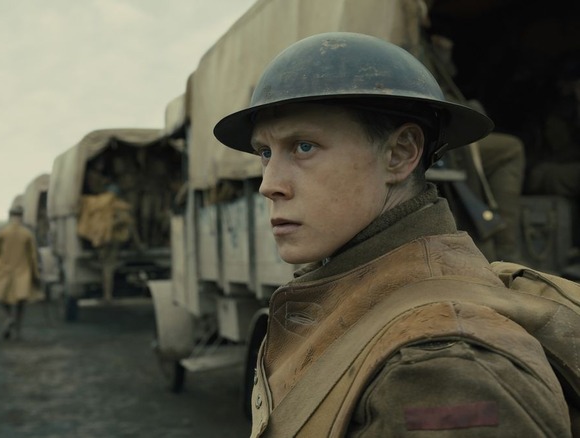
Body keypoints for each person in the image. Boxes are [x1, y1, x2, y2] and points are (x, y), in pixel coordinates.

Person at [213, 32, 577, 437]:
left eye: (303, 146)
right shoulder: (359, 294)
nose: (269, 184)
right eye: (265, 152)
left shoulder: (442, 367)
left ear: (400, 154)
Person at [0, 205, 42, 340]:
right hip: (22, 271)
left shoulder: (2, 232)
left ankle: (9, 318)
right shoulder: (27, 234)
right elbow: (33, 256)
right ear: (22, 215)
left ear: (10, 215)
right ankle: (18, 331)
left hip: (4, 269)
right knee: (21, 302)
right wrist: (36, 274)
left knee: (3, 298)